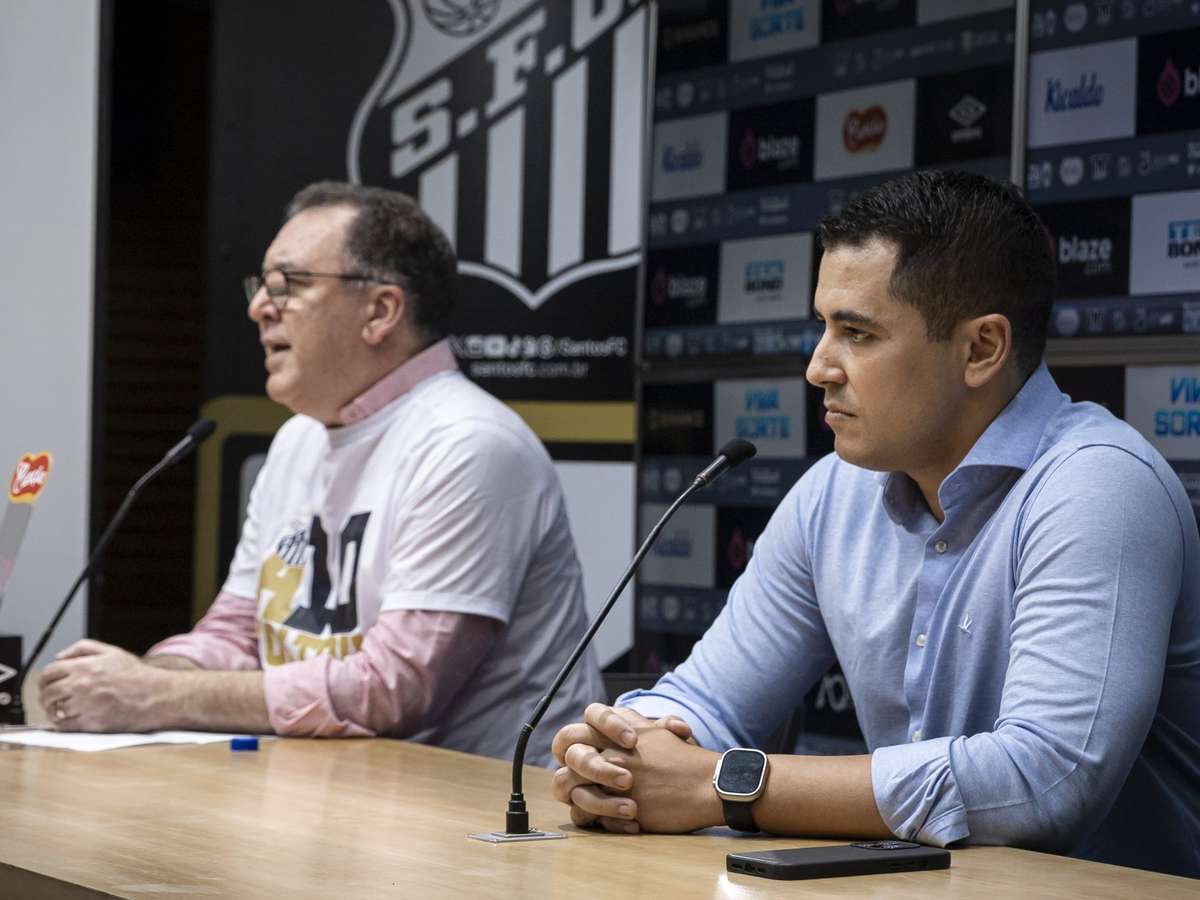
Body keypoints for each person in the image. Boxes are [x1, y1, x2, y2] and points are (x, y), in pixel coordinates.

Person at [550, 170, 1200, 877]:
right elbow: (707, 700)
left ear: (981, 349)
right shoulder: (836, 490)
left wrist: (727, 783)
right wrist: (620, 753)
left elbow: (1046, 778)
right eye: (823, 326)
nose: (818, 368)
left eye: (857, 333)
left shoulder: (1099, 486)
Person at [38, 181, 604, 765]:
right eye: (262, 285)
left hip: (487, 806)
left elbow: (393, 688)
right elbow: (237, 634)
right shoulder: (299, 439)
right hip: (338, 786)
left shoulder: (469, 444)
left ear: (381, 311)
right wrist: (133, 680)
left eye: (289, 284)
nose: (260, 307)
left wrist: (155, 695)